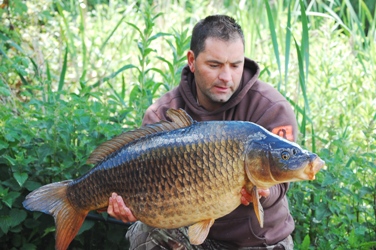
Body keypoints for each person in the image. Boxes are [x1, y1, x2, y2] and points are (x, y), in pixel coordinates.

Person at [107, 15, 297, 249]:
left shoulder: (270, 107)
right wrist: (134, 208)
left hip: (256, 240)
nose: (226, 77)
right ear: (192, 61)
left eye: (235, 65)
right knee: (144, 232)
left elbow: (282, 182)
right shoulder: (164, 113)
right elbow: (138, 182)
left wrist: (265, 191)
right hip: (186, 234)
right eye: (214, 65)